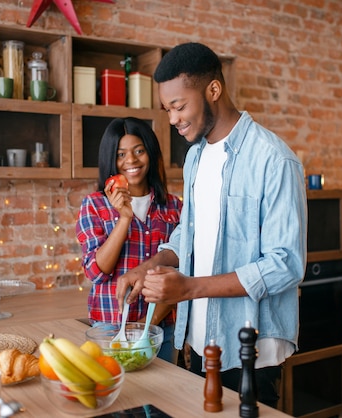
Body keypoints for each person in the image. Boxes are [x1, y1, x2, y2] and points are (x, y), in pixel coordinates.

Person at [116, 42, 307, 407]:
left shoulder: (274, 160)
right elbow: (188, 232)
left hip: (253, 347)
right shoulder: (195, 158)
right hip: (202, 339)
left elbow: (286, 264)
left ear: (213, 90)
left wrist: (188, 288)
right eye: (167, 109)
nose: (172, 119)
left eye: (179, 106)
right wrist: (152, 264)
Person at [76, 117, 182, 363]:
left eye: (139, 151)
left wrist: (147, 327)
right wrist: (124, 219)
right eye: (121, 154)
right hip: (109, 330)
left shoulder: (174, 207)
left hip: (159, 331)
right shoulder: (95, 205)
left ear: (151, 153)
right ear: (111, 160)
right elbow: (95, 271)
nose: (131, 161)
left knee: (161, 399)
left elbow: (180, 270)